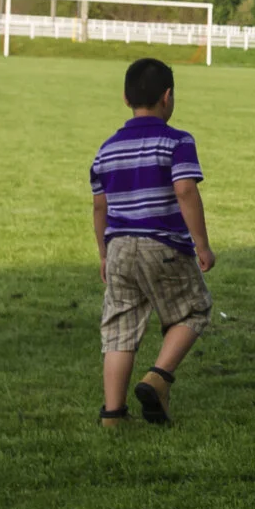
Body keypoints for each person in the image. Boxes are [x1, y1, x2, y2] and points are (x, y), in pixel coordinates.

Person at [91, 58, 214, 427]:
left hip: (118, 248)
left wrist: (103, 253)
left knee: (119, 328)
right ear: (168, 97)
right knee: (194, 310)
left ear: (125, 98)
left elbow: (100, 206)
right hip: (162, 243)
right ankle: (158, 377)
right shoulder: (177, 141)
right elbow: (185, 189)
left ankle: (112, 414)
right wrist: (202, 245)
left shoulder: (106, 149)